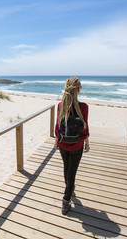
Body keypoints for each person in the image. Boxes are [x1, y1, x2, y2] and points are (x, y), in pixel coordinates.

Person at [54, 77, 90, 215]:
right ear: (79, 90)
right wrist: (87, 142)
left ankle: (69, 189)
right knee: (72, 174)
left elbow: (58, 127)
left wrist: (56, 141)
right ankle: (65, 201)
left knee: (66, 168)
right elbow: (84, 128)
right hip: (76, 145)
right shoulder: (84, 107)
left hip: (63, 143)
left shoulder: (60, 105)